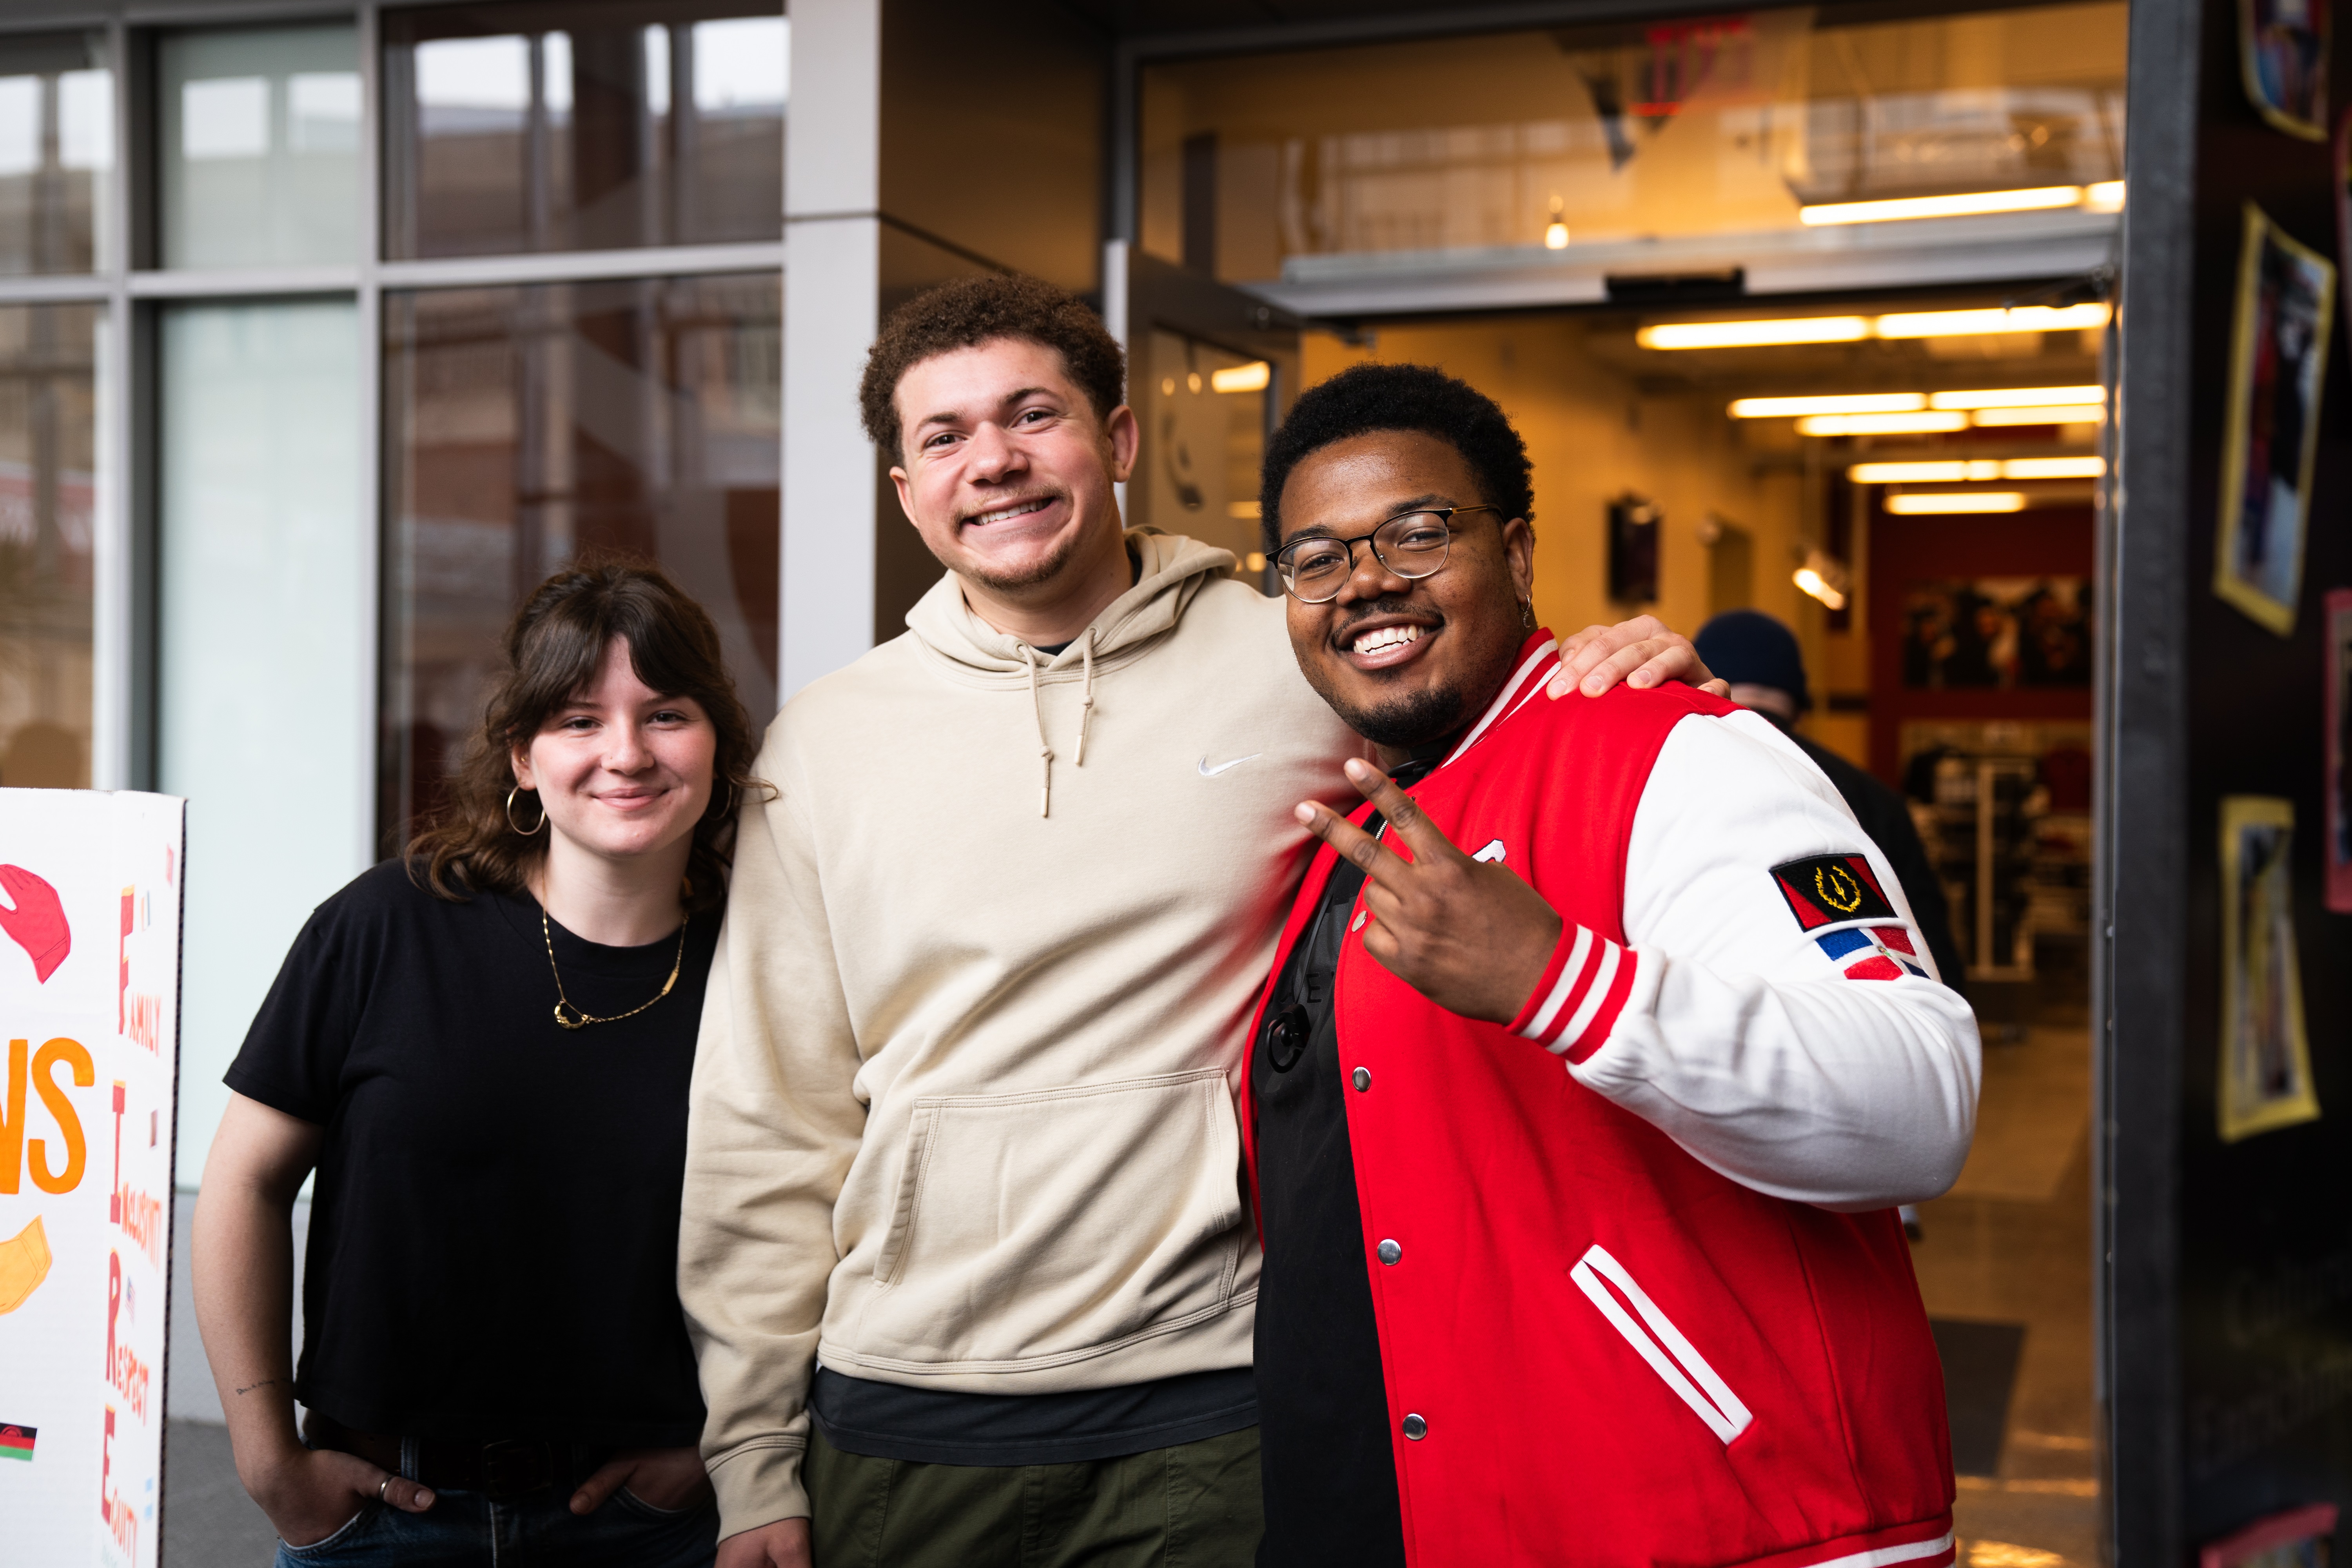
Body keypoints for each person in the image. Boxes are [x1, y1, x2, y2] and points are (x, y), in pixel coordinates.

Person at [677, 274, 1725, 1568]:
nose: (992, 461)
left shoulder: (1294, 647)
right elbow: (768, 1119)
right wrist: (754, 1464)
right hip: (906, 1413)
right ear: (907, 492)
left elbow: (1498, 717)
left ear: (1117, 442)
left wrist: (1616, 671)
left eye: (1031, 416)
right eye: (944, 437)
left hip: (1216, 1403)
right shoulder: (825, 743)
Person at [1249, 363, 1980, 1567]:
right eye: (1316, 555)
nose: (1365, 577)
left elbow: (1917, 1097)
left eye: (1416, 532)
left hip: (1711, 1523)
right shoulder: (1366, 813)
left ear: (1519, 552)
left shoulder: (1681, 755)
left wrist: (1561, 979)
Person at [192, 561, 762, 1567]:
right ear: (522, 758)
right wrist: (265, 1455)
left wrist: (726, 1447)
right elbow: (244, 1180)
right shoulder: (384, 927)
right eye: (580, 720)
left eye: (665, 713)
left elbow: (817, 1216)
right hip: (388, 1514)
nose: (625, 753)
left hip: (651, 1524)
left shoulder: (764, 958)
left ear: (718, 740)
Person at [1694, 608, 1967, 998]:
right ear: (1802, 703)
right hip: (1857, 1024)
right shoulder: (1874, 799)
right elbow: (1935, 956)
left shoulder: (1675, 781)